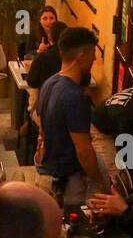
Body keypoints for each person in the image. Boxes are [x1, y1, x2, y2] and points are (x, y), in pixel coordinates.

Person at [34, 27, 107, 207]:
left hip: (45, 175)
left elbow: (42, 132)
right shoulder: (75, 97)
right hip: (66, 185)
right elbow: (84, 152)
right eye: (92, 53)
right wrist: (102, 183)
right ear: (81, 56)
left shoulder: (49, 84)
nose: (94, 59)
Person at [26, 21, 67, 93]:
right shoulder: (73, 55)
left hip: (47, 97)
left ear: (49, 37)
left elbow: (32, 82)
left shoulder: (43, 57)